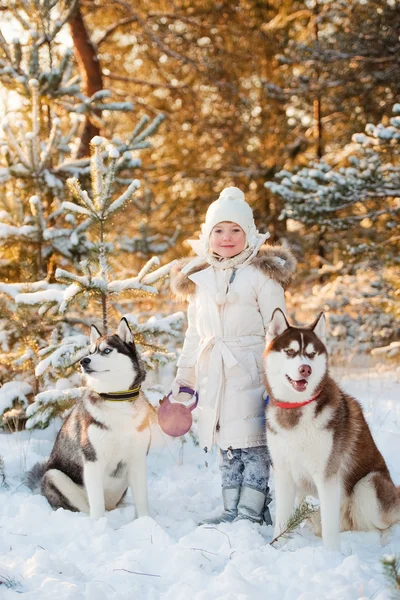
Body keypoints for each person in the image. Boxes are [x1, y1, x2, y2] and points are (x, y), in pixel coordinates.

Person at [169, 187, 296, 525]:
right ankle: (230, 508)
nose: (227, 238)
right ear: (208, 236)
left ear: (249, 234)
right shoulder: (200, 278)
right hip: (214, 372)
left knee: (253, 443)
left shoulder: (261, 276)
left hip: (251, 368)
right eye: (219, 230)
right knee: (225, 442)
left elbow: (280, 330)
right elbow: (195, 334)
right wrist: (185, 376)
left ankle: (252, 510)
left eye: (235, 230)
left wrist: (280, 377)